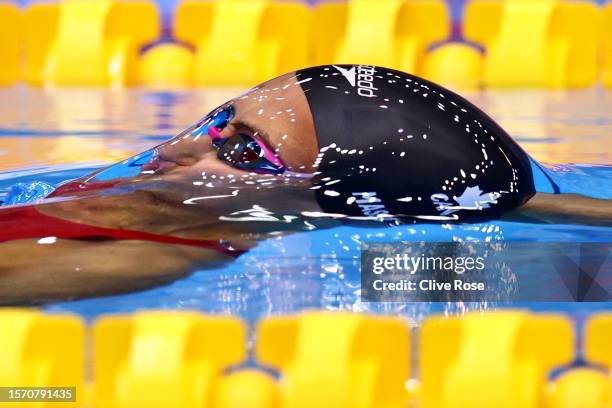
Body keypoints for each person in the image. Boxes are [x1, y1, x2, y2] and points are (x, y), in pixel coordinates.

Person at [0, 65, 609, 305]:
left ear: (326, 201)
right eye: (218, 121)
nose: (176, 147)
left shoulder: (138, 256)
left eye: (244, 149)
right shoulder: (128, 204)